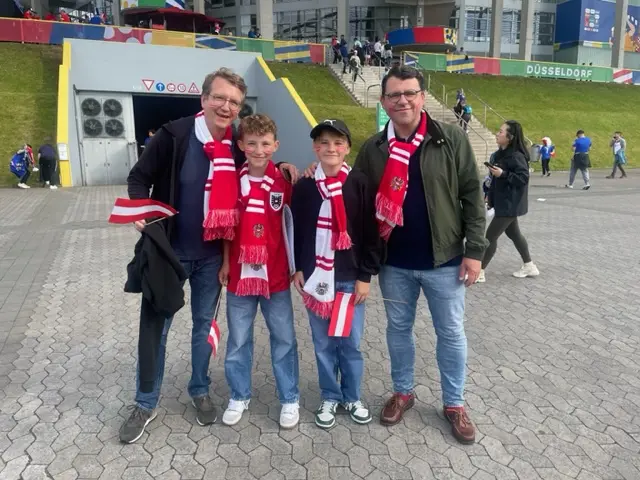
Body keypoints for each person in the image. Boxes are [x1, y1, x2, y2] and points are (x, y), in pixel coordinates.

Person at [121, 68, 298, 444]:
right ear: (204, 99)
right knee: (157, 329)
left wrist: (283, 168)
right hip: (169, 252)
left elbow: (260, 158)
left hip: (211, 259)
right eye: (219, 98)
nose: (226, 106)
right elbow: (138, 178)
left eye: (234, 101)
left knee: (204, 328)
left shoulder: (238, 143)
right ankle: (144, 402)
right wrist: (144, 215)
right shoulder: (175, 135)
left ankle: (199, 389)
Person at [351, 66, 487, 444]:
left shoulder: (450, 139)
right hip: (395, 263)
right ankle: (403, 391)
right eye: (394, 95)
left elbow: (473, 196)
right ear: (384, 102)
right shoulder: (373, 148)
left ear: (422, 97)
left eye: (409, 92)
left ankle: (455, 403)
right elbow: (354, 194)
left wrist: (474, 252)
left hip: (445, 261)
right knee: (398, 331)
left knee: (451, 333)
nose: (402, 100)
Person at [292, 119, 382, 429]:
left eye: (338, 142)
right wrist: (299, 268)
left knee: (351, 342)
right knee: (323, 344)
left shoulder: (359, 182)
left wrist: (366, 277)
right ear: (315, 148)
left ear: (347, 148)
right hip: (317, 279)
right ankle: (330, 395)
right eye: (324, 142)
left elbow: (371, 232)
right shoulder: (304, 187)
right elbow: (298, 231)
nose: (331, 148)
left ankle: (352, 395)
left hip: (349, 278)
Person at [218, 114, 300, 429]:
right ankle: (239, 394)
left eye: (265, 144)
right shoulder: (230, 180)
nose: (259, 150)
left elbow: (295, 224)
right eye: (251, 143)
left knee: (284, 339)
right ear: (241, 145)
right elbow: (226, 226)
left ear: (275, 145)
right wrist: (226, 261)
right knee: (238, 340)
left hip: (275, 277)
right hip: (239, 276)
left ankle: (289, 398)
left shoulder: (284, 181)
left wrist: (297, 267)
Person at [477, 121, 539, 284]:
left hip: (510, 204)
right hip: (503, 201)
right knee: (514, 234)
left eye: (501, 132)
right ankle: (529, 265)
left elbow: (523, 178)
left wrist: (503, 174)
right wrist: (489, 195)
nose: (497, 134)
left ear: (510, 137)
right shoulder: (499, 155)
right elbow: (494, 179)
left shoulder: (516, 156)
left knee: (489, 237)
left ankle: (480, 271)